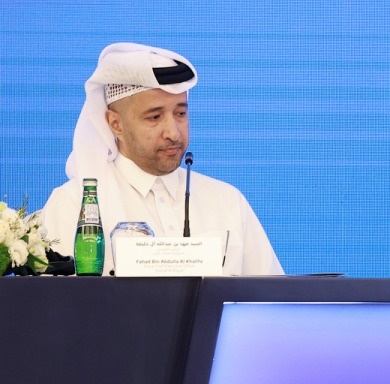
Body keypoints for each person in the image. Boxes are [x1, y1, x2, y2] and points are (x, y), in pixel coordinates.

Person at [40, 43, 284, 275]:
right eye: (154, 117)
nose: (174, 133)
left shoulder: (227, 202)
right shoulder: (74, 206)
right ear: (116, 124)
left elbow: (273, 305)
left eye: (180, 113)